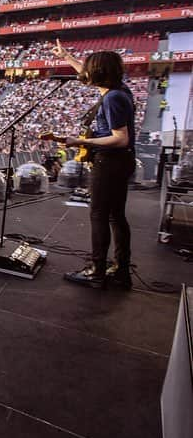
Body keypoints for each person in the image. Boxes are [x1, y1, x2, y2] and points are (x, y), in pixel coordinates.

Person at [48, 43, 136, 289]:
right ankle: (120, 269)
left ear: (98, 73)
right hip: (120, 162)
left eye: (88, 69)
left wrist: (81, 141)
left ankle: (97, 271)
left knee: (100, 215)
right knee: (116, 216)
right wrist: (67, 57)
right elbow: (85, 76)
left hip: (110, 162)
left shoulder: (113, 98)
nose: (84, 74)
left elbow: (120, 138)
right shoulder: (118, 90)